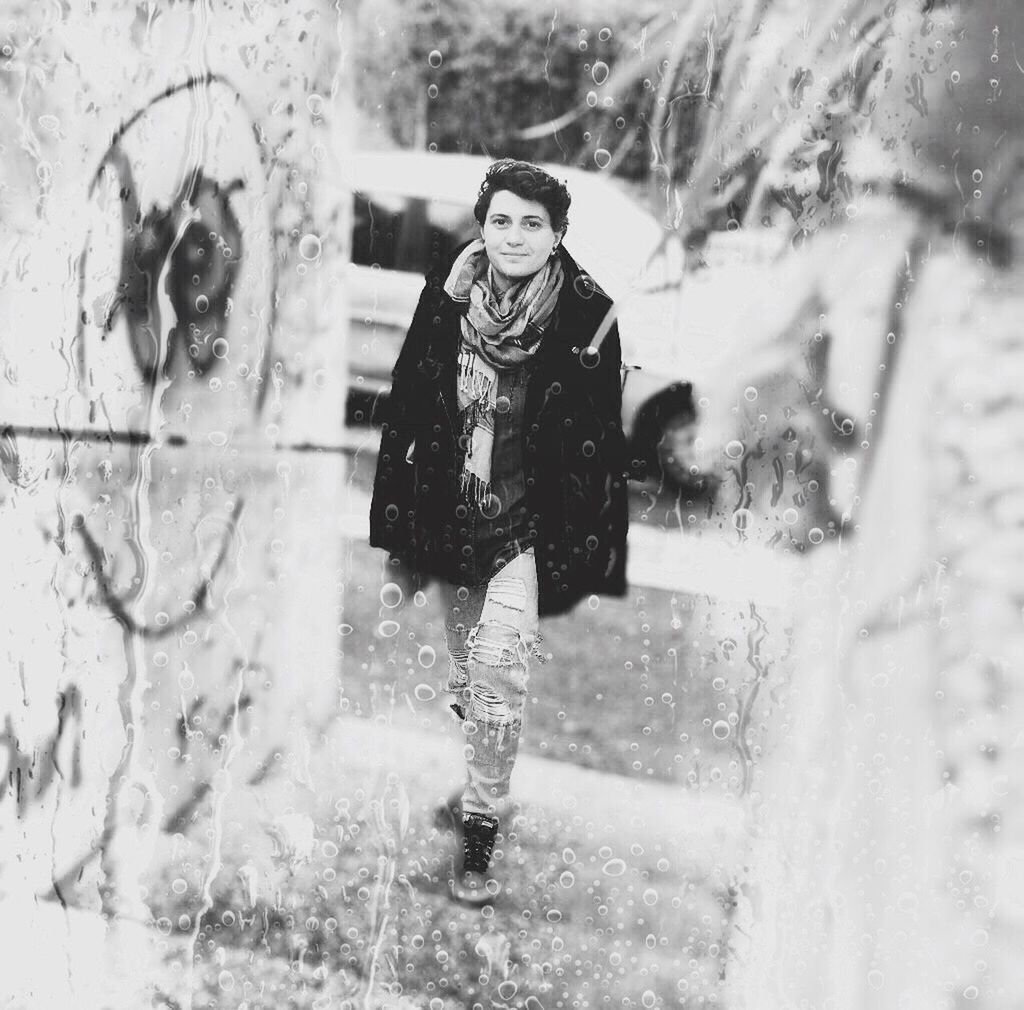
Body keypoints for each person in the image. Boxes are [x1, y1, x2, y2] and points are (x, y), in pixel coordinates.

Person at [369, 158, 629, 903]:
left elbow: (598, 450)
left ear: (557, 234)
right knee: (466, 676)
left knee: (497, 679)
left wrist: (583, 539)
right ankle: (481, 779)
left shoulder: (588, 316)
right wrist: (398, 533)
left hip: (522, 530)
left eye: (533, 223)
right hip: (452, 524)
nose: (515, 236)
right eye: (502, 220)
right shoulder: (446, 300)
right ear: (482, 226)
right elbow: (409, 412)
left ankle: (480, 830)